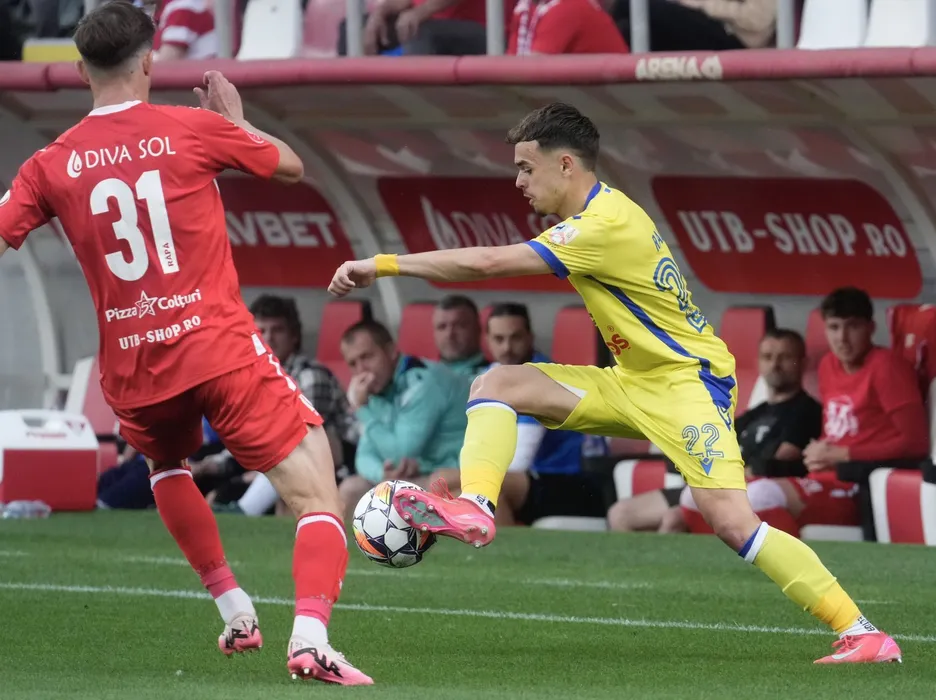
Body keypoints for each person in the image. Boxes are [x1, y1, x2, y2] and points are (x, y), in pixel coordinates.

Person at [327, 102, 901, 665]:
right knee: (496, 382)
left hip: (687, 386)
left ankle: (863, 633)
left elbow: (486, 265)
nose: (519, 182)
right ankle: (476, 506)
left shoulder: (603, 224)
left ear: (566, 164)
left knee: (732, 523)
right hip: (632, 381)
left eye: (526, 168)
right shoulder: (595, 218)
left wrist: (383, 264)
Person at [0, 3, 370, 686]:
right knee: (318, 495)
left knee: (165, 466)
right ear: (149, 61)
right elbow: (289, 166)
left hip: (135, 365)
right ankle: (311, 639)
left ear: (81, 72)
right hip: (217, 348)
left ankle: (234, 609)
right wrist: (235, 120)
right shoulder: (190, 128)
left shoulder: (49, 165)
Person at [612, 328, 822, 533]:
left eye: (785, 357)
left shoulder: (807, 411)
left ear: (802, 363)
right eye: (768, 357)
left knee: (673, 518)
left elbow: (773, 464)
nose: (775, 364)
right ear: (758, 362)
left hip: (748, 493)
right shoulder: (753, 414)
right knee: (620, 514)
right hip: (712, 487)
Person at [337, 320, 469, 519]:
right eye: (353, 364)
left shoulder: (422, 381)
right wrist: (382, 474)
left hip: (451, 474)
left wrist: (362, 409)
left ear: (391, 351)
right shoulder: (377, 389)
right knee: (350, 489)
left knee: (403, 492)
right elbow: (363, 456)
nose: (361, 370)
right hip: (416, 476)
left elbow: (402, 452)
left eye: (367, 357)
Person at [433, 295, 489, 377]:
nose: (449, 335)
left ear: (477, 329)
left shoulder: (495, 377)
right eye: (442, 327)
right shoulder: (419, 376)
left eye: (459, 326)